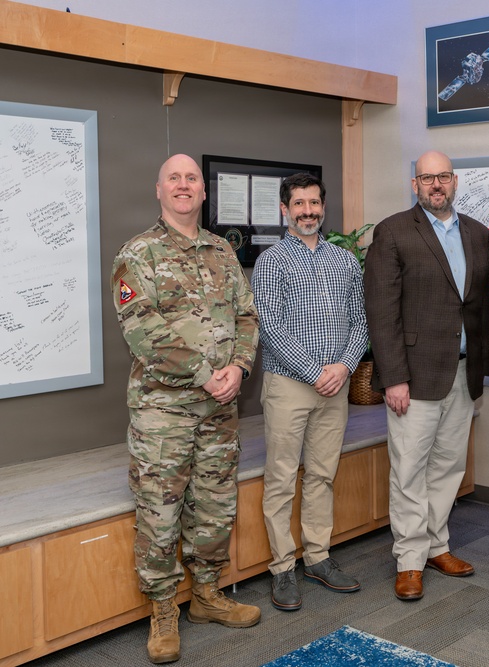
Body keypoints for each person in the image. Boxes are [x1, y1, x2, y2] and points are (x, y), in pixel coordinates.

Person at [110, 154, 260, 664]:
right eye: (173, 178)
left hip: (220, 410)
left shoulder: (222, 251)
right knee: (160, 511)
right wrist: (205, 375)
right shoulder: (138, 254)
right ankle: (162, 609)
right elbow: (143, 333)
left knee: (215, 505)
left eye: (191, 178)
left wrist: (238, 369)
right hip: (164, 413)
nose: (183, 185)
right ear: (159, 190)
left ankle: (206, 595)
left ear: (201, 191)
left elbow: (246, 317)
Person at [364, 150, 489, 601]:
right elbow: (381, 313)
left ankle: (437, 545)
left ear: (454, 181)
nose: (436, 184)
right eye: (427, 178)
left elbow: (480, 311)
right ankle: (410, 560)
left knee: (448, 466)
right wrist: (393, 377)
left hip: (462, 373)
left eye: (443, 176)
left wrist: (483, 370)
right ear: (414, 185)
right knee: (409, 472)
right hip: (414, 378)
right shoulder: (394, 231)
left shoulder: (478, 234)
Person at [252, 173, 367, 612]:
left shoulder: (345, 261)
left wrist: (343, 366)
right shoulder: (272, 262)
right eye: (298, 204)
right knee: (281, 479)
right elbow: (271, 329)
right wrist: (314, 371)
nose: (307, 211)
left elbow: (362, 321)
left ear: (323, 207)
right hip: (289, 386)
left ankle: (317, 557)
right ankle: (282, 568)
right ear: (285, 209)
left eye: (314, 203)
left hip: (334, 387)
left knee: (322, 475)